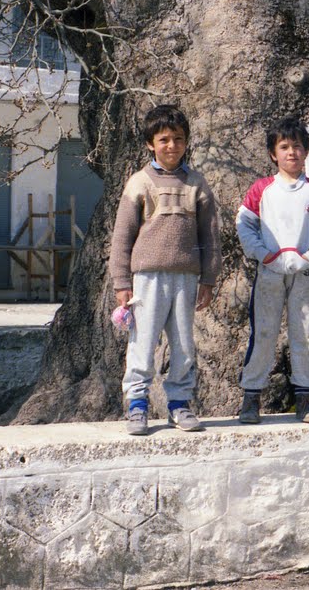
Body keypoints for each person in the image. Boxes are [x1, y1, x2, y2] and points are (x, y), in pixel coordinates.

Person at [110, 104, 221, 436]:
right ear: (150, 143)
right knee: (142, 342)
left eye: (178, 139)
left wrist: (209, 279)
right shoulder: (139, 183)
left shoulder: (197, 184)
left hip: (186, 278)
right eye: (164, 139)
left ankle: (179, 403)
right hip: (147, 278)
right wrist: (121, 281)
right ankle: (138, 405)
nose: (171, 146)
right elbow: (122, 235)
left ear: (186, 142)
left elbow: (211, 236)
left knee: (184, 345)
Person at [235, 117, 309, 424]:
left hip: (306, 274)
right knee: (264, 332)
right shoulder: (261, 189)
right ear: (273, 153)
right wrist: (264, 255)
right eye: (284, 146)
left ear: (306, 151)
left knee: (305, 333)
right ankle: (251, 397)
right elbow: (244, 226)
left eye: (297, 146)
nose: (291, 152)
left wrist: (308, 256)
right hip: (270, 272)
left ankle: (305, 398)